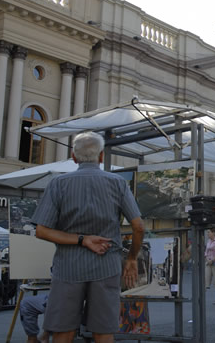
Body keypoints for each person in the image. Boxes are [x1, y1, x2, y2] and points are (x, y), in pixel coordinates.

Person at [33, 132, 145, 343]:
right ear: (101, 156)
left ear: (73, 157)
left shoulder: (58, 184)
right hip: (107, 266)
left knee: (62, 331)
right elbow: (138, 226)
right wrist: (131, 258)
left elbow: (41, 230)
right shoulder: (118, 183)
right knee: (103, 331)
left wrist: (82, 239)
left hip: (68, 267)